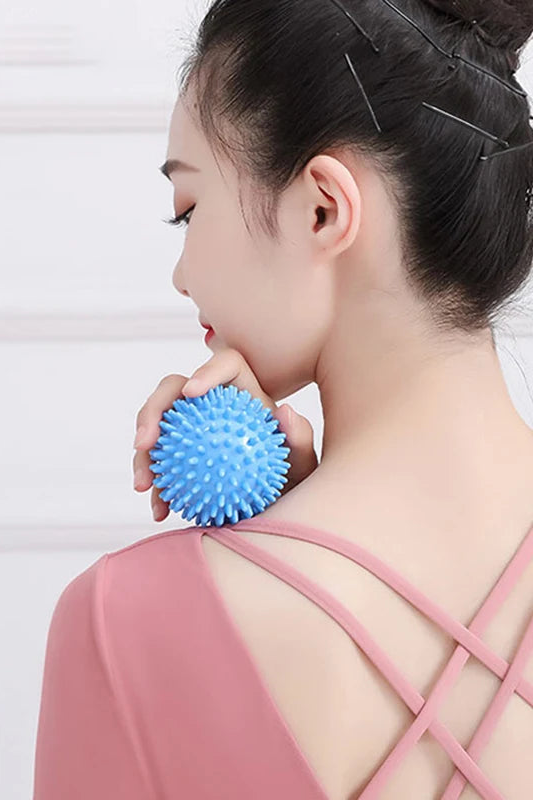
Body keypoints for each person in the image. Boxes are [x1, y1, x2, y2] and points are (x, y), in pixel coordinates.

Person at [32, 0, 533, 797]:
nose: (181, 274)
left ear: (323, 209)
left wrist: (272, 548)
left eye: (189, 210)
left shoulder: (134, 624)